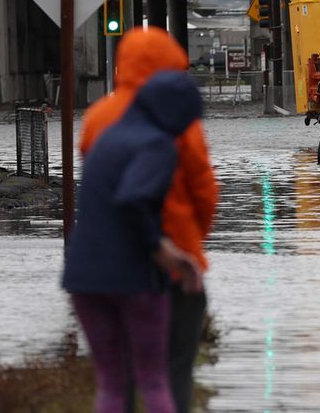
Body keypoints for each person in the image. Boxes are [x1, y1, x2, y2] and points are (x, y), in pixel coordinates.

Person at [80, 27, 218, 412]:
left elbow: (97, 187)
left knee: (115, 379)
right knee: (171, 372)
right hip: (172, 264)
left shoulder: (98, 117)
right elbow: (204, 190)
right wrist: (191, 243)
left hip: (110, 263)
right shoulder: (176, 120)